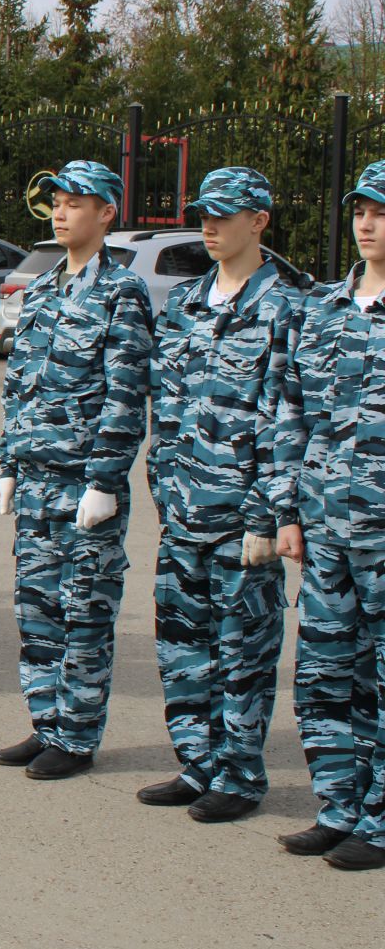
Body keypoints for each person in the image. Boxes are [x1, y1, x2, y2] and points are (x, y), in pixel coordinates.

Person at [141, 168, 302, 822]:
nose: (208, 226)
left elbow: (287, 418)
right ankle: (196, 763)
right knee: (183, 648)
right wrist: (161, 486)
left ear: (259, 220)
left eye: (224, 215)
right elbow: (165, 407)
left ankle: (237, 776)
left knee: (242, 655)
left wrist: (271, 514)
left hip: (243, 521)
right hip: (183, 512)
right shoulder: (183, 302)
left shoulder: (286, 308)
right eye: (203, 214)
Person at [0, 160, 152, 779]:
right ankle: (46, 722)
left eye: (75, 203)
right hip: (36, 481)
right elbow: (17, 388)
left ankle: (78, 735)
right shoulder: (42, 290)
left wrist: (105, 480)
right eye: (56, 202)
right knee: (36, 610)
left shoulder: (122, 292)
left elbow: (125, 393)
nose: (60, 212)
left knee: (84, 612)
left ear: (107, 213)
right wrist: (7, 463)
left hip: (84, 485)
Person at [285, 158, 385, 870]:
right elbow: (292, 412)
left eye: (381, 213)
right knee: (324, 671)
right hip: (324, 529)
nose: (368, 225)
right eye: (360, 211)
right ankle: (338, 807)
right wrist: (287, 510)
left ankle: (378, 822)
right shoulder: (322, 307)